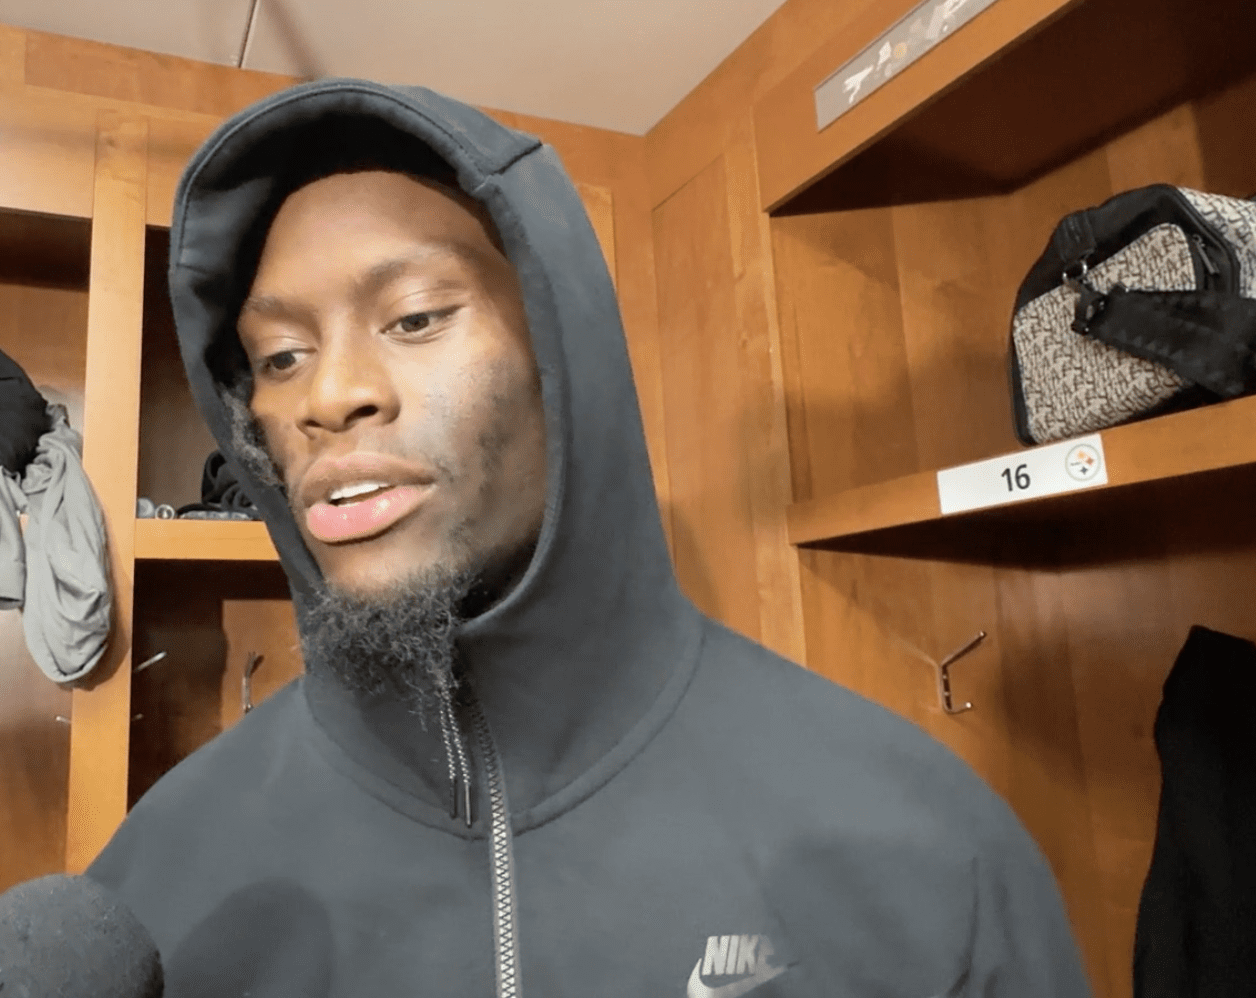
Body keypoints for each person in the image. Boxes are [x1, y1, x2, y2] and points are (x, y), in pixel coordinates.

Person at [87, 78, 1093, 997]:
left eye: (417, 317)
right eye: (279, 356)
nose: (329, 394)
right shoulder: (158, 881)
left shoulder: (917, 842)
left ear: (563, 356)